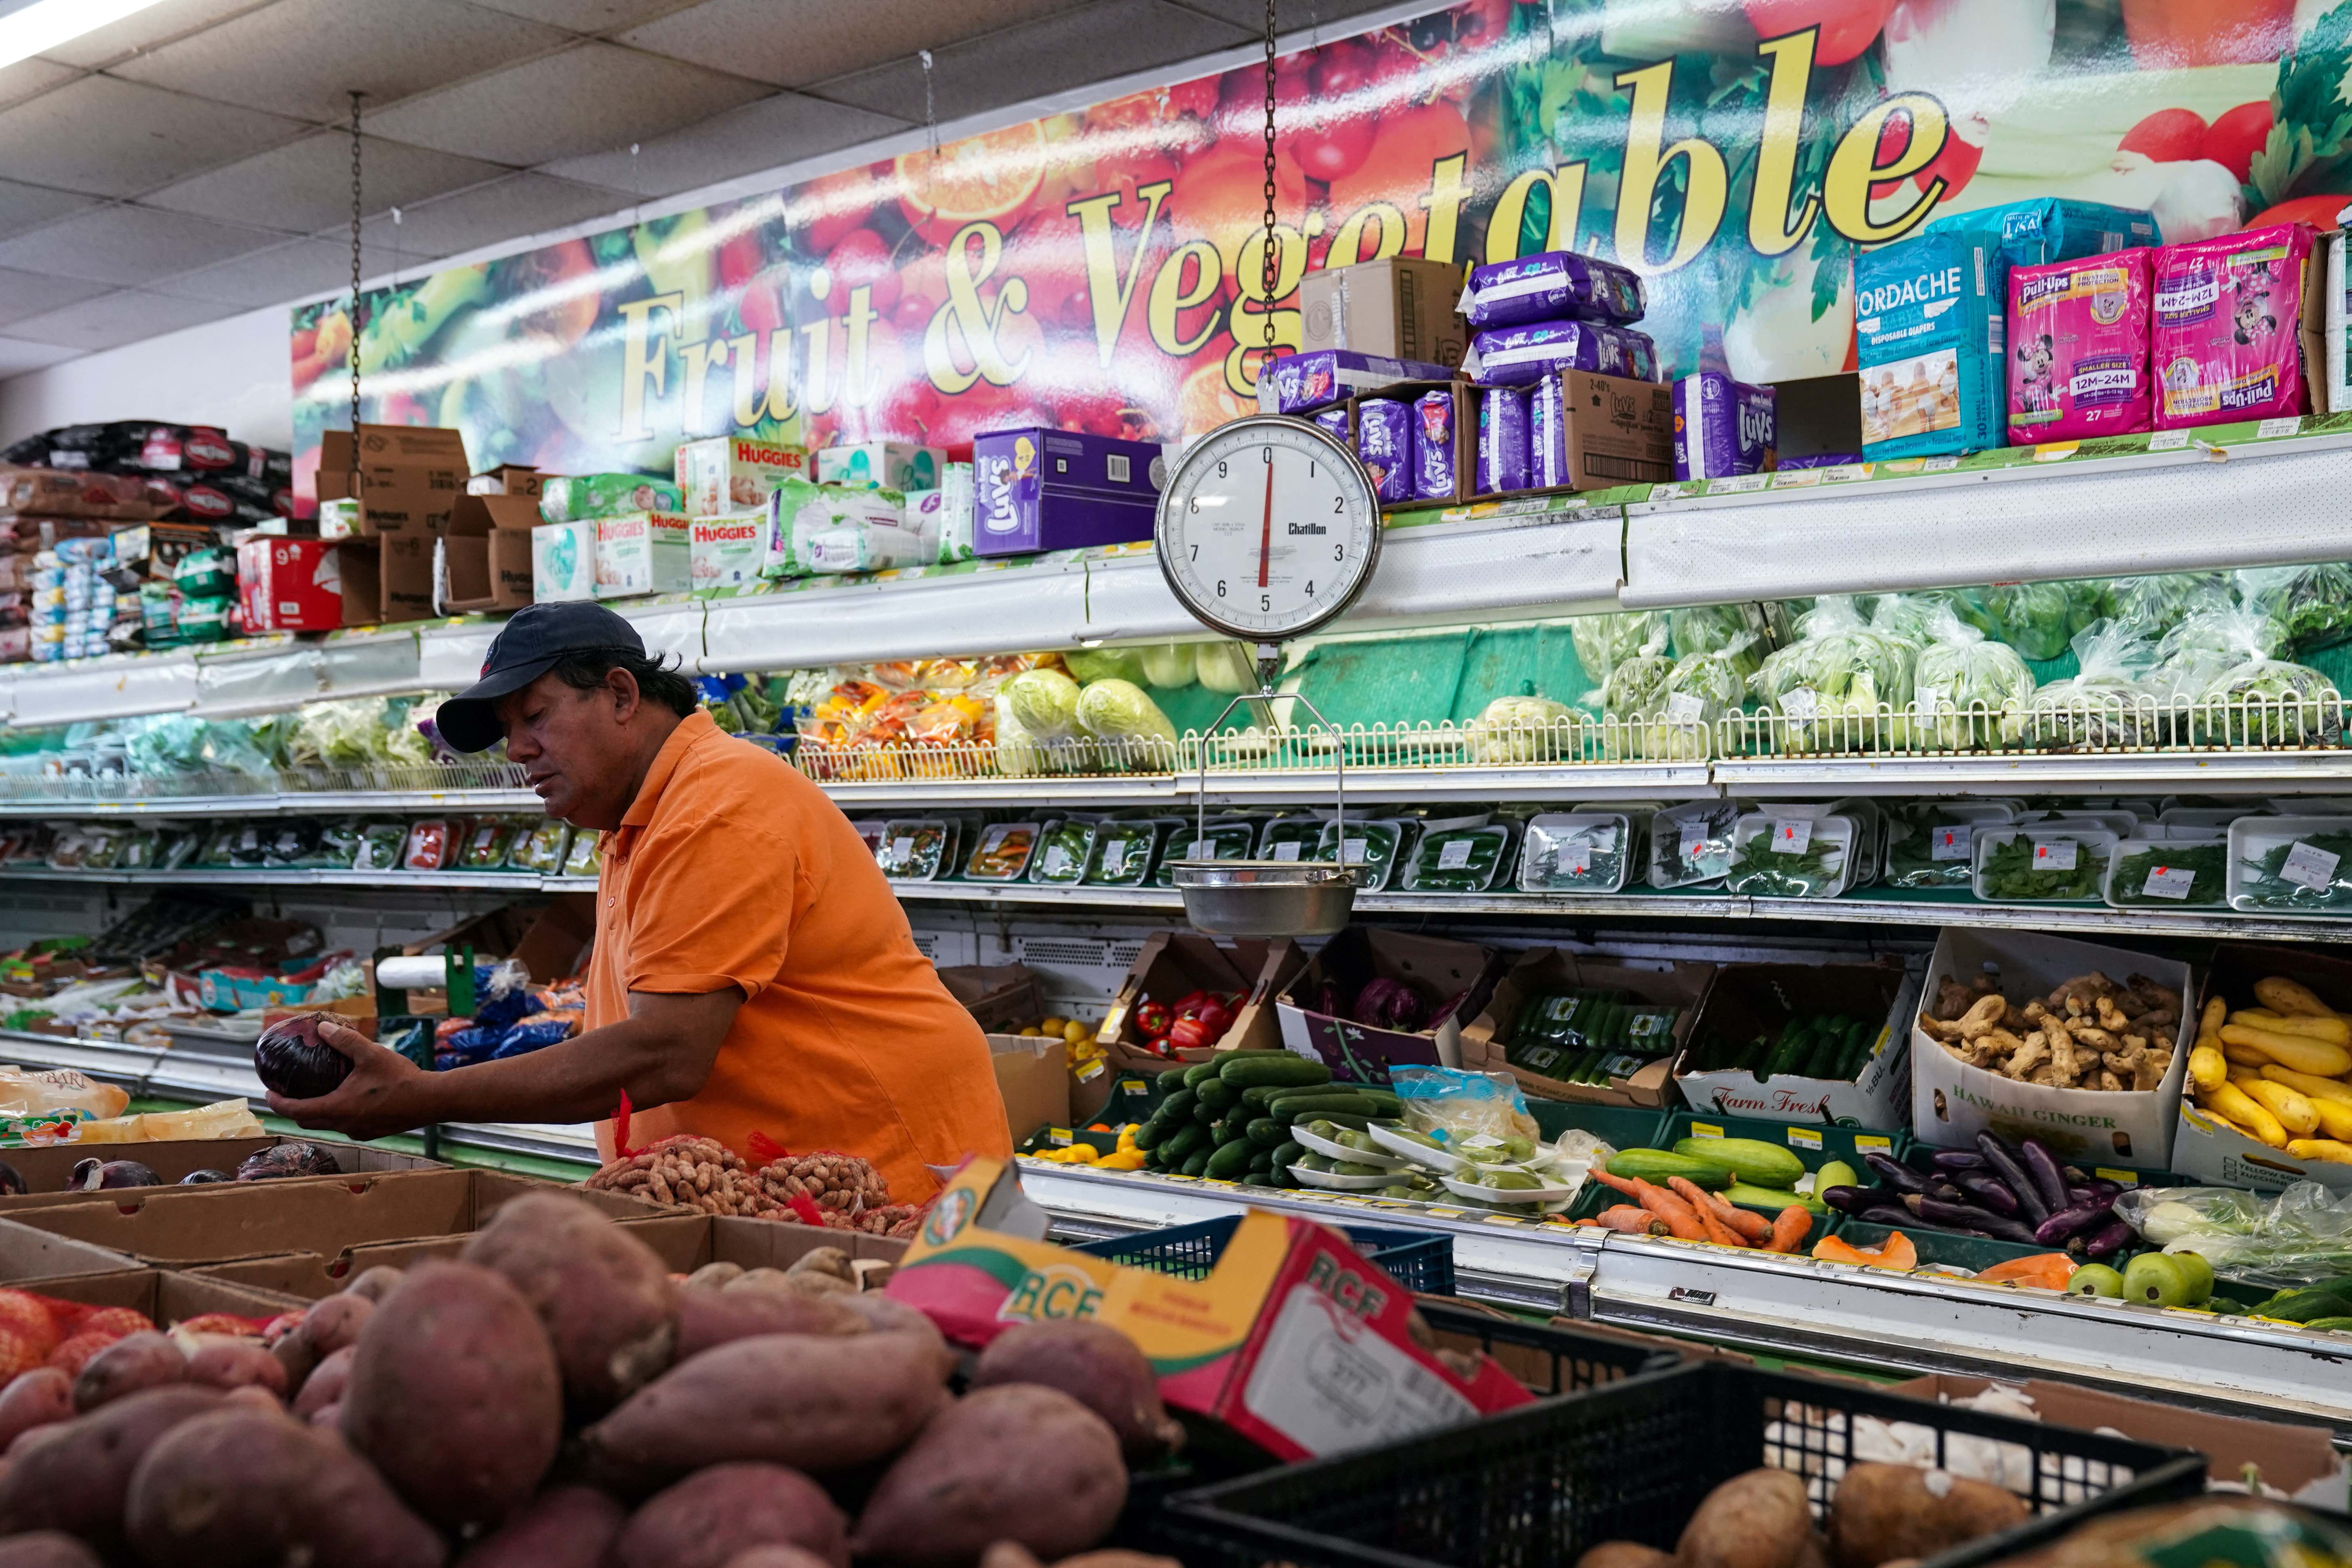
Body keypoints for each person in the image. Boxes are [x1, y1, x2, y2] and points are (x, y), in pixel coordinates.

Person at [268, 601, 1012, 1201]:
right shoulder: (638, 818)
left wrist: (423, 1096)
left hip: (891, 1183)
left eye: (536, 716)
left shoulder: (718, 804)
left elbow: (666, 1053)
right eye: (506, 732)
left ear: (622, 694)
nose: (518, 748)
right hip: (791, 1183)